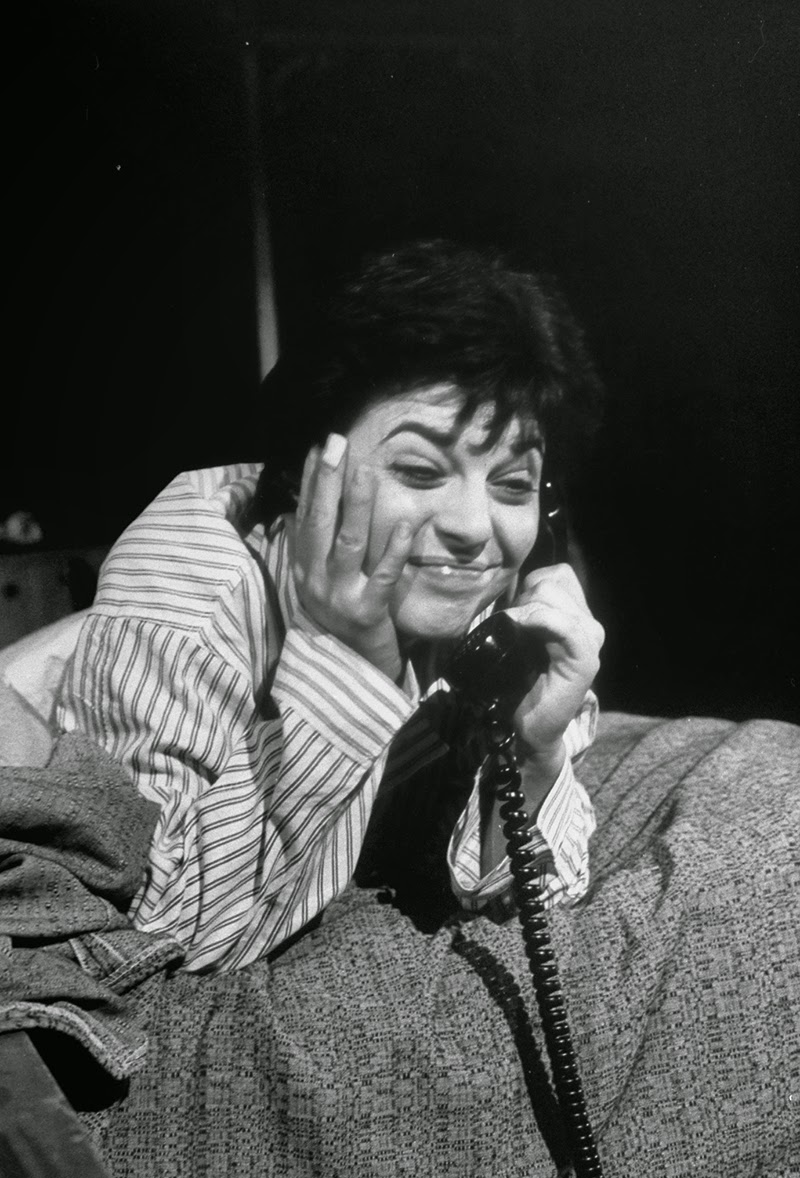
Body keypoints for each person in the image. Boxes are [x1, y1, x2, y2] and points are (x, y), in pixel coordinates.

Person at [57, 239, 606, 973]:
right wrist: (345, 658)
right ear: (310, 465)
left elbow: (544, 891)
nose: (475, 529)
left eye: (512, 485)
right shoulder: (190, 584)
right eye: (419, 470)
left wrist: (536, 747)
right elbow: (151, 940)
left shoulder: (486, 589)